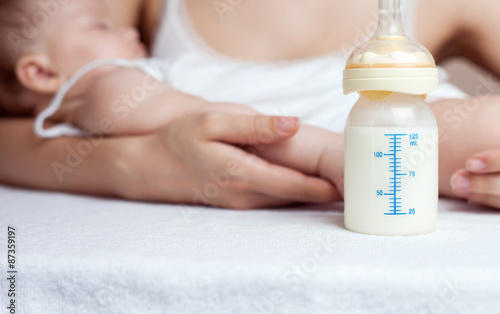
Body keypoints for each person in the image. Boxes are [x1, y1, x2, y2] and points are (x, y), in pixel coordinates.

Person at [1, 0, 499, 210]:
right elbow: (231, 129)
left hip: (385, 113)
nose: (129, 33)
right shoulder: (110, 85)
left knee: (476, 128)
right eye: (102, 27)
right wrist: (122, 165)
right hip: (320, 132)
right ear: (39, 72)